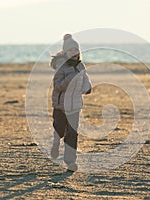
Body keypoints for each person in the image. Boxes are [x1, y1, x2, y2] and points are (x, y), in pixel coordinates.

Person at [51, 34, 91, 171]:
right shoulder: (61, 68)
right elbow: (58, 86)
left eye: (76, 50)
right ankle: (56, 142)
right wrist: (71, 78)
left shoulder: (80, 66)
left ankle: (70, 161)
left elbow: (85, 78)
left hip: (75, 106)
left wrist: (87, 87)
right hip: (61, 106)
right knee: (60, 129)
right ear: (65, 52)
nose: (74, 53)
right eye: (71, 50)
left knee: (72, 133)